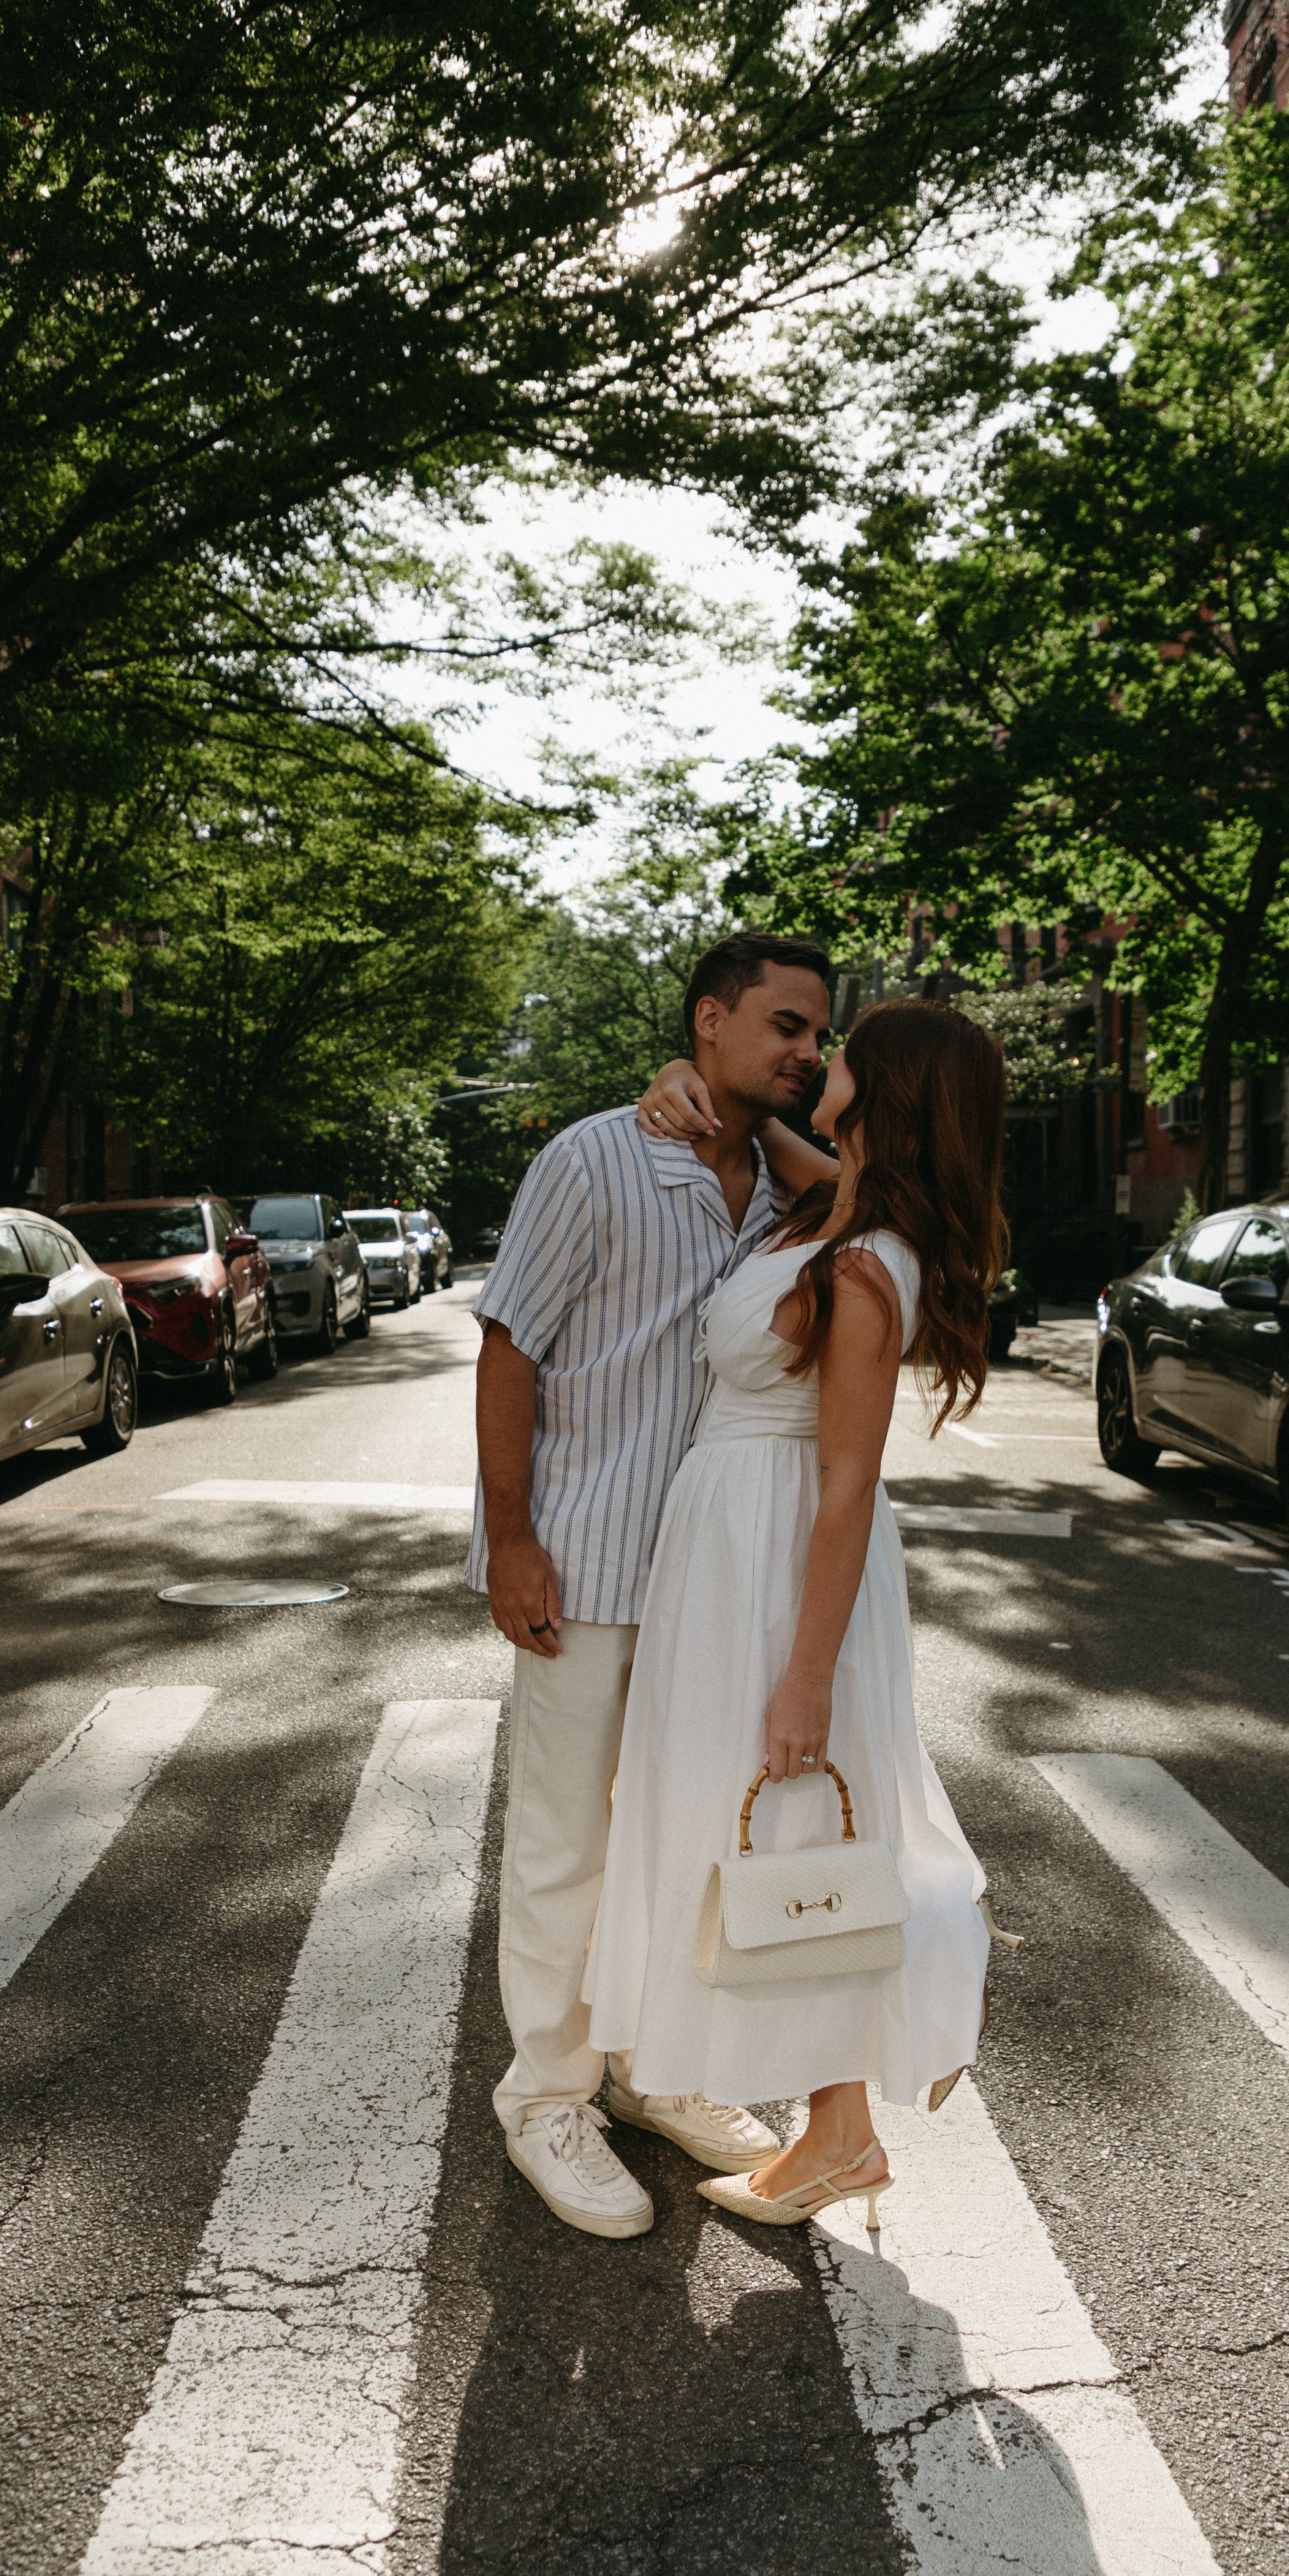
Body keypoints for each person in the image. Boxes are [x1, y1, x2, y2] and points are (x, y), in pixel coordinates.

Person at [585, 998, 1006, 2226]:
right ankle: (838, 2129)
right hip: (726, 1553)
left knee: (798, 1831)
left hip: (786, 1566)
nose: (822, 1064)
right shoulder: (836, 1198)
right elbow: (762, 1130)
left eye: (845, 1056)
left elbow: (847, 1485)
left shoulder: (869, 1265)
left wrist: (806, 1675)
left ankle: (842, 2128)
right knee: (773, 1837)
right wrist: (680, 1075)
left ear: (885, 1092)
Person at [469, 932, 835, 2237]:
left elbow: (875, 1201)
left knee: (681, 1840)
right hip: (584, 1555)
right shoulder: (593, 1154)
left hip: (712, 1585)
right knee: (566, 1844)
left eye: (818, 1035)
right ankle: (548, 2095)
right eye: (783, 1025)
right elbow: (511, 1343)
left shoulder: (785, 1196)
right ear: (709, 1019)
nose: (805, 1051)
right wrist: (511, 1536)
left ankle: (650, 2069)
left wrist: (760, 1130)